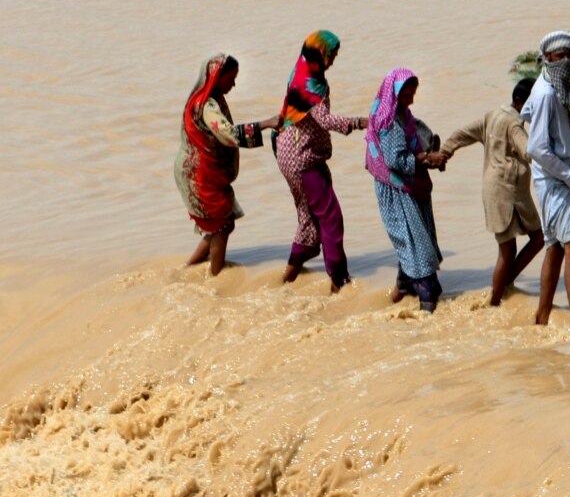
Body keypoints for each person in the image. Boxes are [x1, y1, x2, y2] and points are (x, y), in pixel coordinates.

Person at [435, 78, 544, 306]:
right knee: (521, 244)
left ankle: (503, 285)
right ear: (520, 101)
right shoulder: (514, 124)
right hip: (509, 191)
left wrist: (446, 151)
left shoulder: (492, 115)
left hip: (494, 188)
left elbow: (463, 133)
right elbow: (529, 151)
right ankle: (494, 301)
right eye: (533, 104)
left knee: (523, 242)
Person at [274, 30, 368, 292]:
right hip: (302, 158)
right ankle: (340, 283)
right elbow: (325, 120)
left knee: (309, 221)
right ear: (319, 52)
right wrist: (362, 122)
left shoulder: (303, 71)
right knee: (331, 218)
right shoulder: (309, 85)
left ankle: (285, 282)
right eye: (332, 54)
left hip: (294, 154)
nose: (334, 59)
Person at [520, 31, 570, 331]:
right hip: (557, 180)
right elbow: (536, 148)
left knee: (554, 247)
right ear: (547, 58)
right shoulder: (546, 93)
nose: (565, 60)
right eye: (559, 56)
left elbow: (526, 113)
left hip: (558, 176)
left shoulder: (555, 84)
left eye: (569, 55)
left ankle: (541, 318)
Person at [174, 54, 279, 276]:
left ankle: (187, 268)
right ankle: (216, 275)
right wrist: (266, 123)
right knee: (221, 225)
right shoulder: (207, 105)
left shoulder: (209, 98)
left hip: (202, 172)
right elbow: (228, 134)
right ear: (217, 77)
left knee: (222, 223)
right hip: (200, 175)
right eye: (231, 79)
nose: (233, 84)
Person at [365, 68, 445, 312]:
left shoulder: (404, 116)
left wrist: (429, 154)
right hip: (397, 189)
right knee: (418, 250)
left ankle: (398, 294)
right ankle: (427, 312)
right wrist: (425, 159)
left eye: (413, 93)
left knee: (413, 243)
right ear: (394, 94)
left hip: (410, 186)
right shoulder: (388, 122)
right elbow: (394, 160)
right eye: (407, 94)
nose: (411, 99)